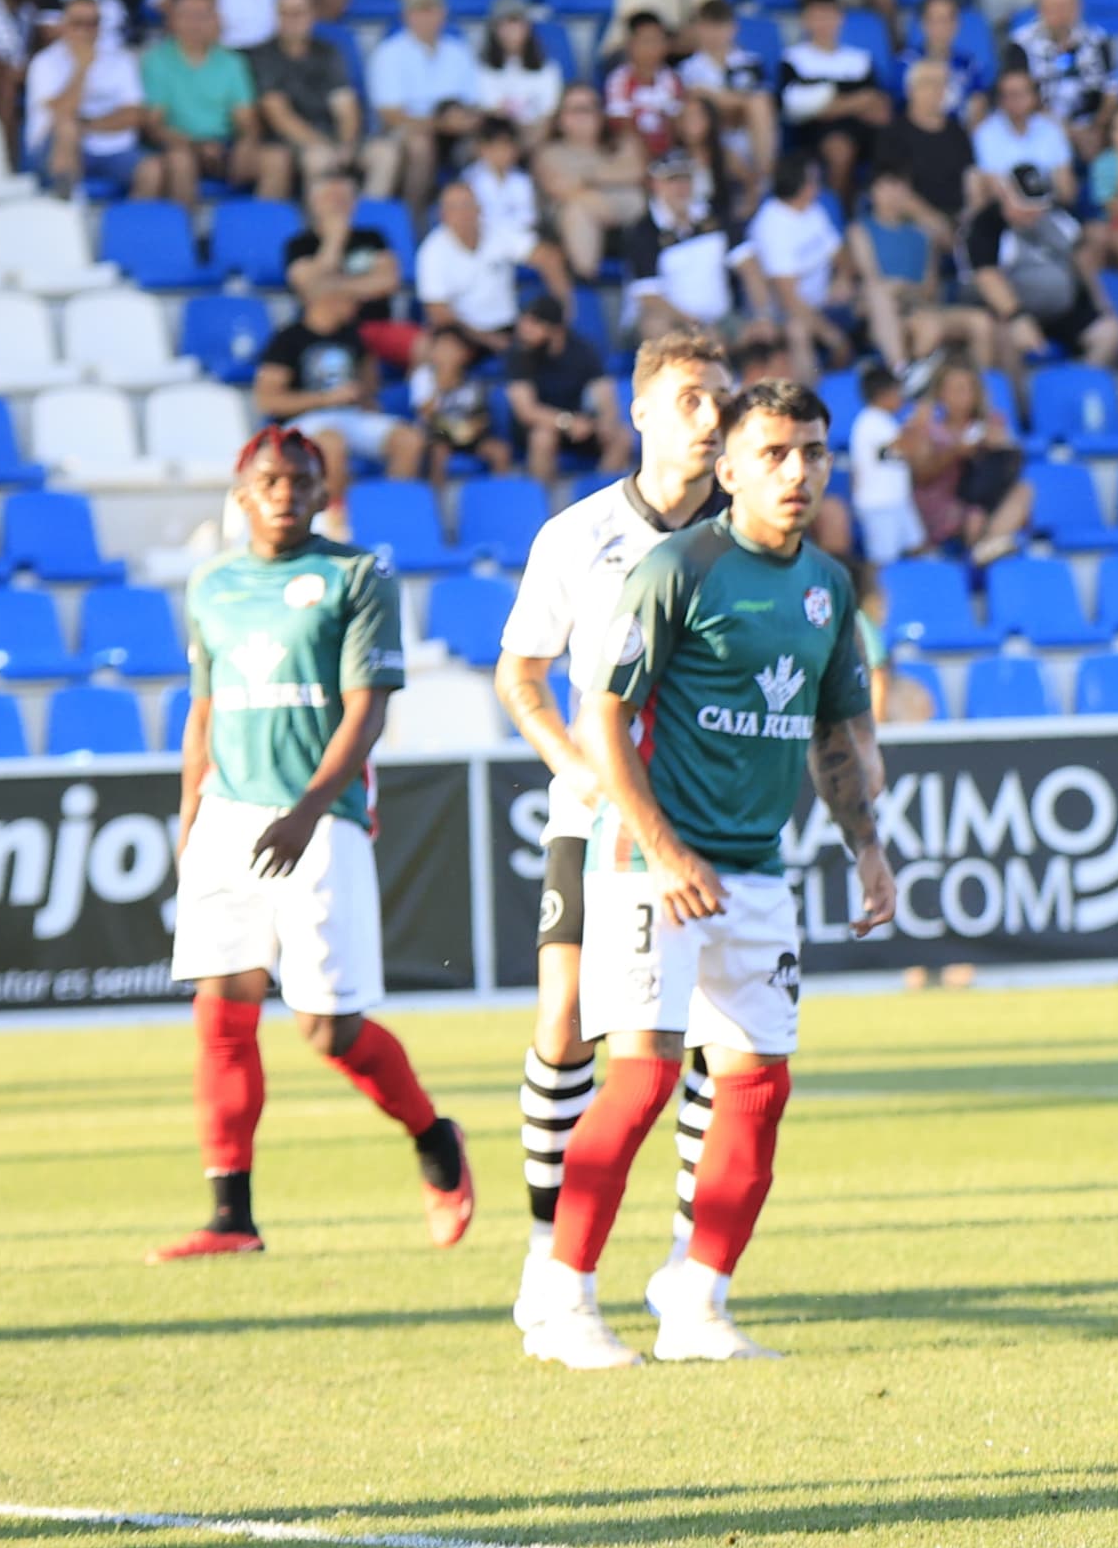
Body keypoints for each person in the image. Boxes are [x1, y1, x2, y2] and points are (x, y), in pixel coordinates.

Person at [519, 381, 895, 1366]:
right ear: (726, 468)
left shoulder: (828, 583)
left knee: (757, 1088)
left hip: (756, 873)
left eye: (813, 452)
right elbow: (604, 713)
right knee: (640, 1078)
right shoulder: (677, 567)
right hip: (654, 867)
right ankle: (561, 1300)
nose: (798, 471)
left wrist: (866, 844)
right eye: (774, 453)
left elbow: (832, 732)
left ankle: (698, 1300)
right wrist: (663, 846)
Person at [155, 426, 478, 1262]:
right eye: (269, 479)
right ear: (241, 492)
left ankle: (434, 1135)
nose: (286, 493)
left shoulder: (357, 574)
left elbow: (367, 709)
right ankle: (232, 1217)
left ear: (322, 491)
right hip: (227, 817)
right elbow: (205, 713)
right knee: (221, 1013)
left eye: (303, 480)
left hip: (320, 820)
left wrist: (306, 808)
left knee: (327, 1028)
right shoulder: (212, 585)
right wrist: (190, 820)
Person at [491, 334, 736, 1324]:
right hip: (595, 819)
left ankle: (689, 1259)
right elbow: (520, 670)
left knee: (714, 1041)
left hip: (717, 815)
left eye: (720, 399)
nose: (710, 416)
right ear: (638, 411)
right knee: (563, 1020)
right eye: (688, 398)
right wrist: (578, 771)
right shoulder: (576, 534)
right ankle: (548, 1247)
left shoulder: (748, 538)